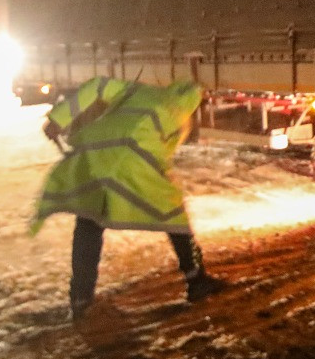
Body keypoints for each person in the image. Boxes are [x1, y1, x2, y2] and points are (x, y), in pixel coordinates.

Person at [30, 77, 227, 319]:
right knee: (174, 215)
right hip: (136, 155)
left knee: (89, 219)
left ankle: (81, 296)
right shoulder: (183, 110)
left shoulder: (135, 90)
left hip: (96, 148)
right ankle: (196, 281)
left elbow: (97, 85)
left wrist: (57, 119)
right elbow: (163, 152)